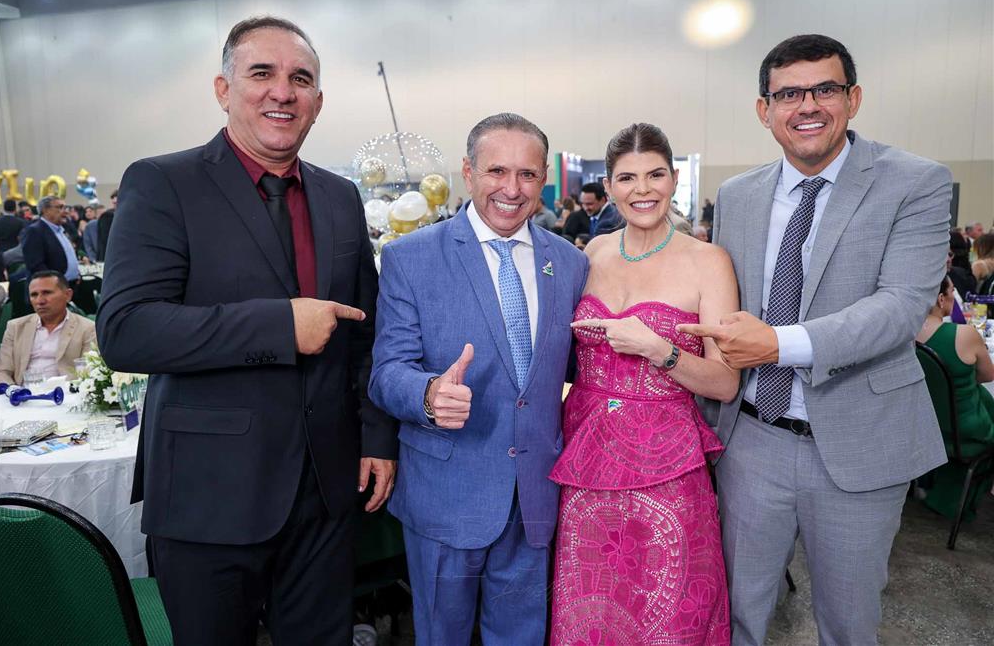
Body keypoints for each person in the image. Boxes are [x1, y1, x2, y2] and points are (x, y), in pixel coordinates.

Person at [95, 16, 396, 646]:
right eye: (262, 73)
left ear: (318, 101)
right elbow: (126, 330)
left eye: (301, 79)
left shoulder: (339, 198)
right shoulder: (163, 183)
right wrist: (279, 325)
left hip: (325, 494)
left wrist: (377, 436)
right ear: (223, 89)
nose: (282, 91)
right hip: (211, 495)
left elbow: (366, 334)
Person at [679, 34, 951, 645]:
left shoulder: (914, 182)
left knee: (848, 625)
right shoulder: (739, 195)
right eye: (789, 94)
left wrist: (778, 345)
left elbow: (901, 307)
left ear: (853, 99)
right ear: (764, 109)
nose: (807, 106)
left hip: (860, 441)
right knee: (737, 613)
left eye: (825, 89)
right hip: (753, 441)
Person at [370, 112, 588, 645]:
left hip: (534, 496)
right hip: (447, 494)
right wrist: (427, 394)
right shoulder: (411, 257)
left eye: (527, 174)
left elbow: (571, 369)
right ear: (468, 172)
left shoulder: (569, 263)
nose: (512, 189)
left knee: (521, 636)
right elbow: (387, 370)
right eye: (496, 171)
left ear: (543, 179)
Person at [549, 123, 738, 645]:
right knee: (590, 602)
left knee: (665, 608)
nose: (643, 189)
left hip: (667, 462)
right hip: (587, 455)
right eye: (628, 178)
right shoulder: (590, 254)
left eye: (655, 175)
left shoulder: (708, 261)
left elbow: (725, 382)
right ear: (609, 186)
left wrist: (660, 350)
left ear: (673, 178)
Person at [916, 275, 994, 521]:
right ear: (941, 299)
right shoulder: (964, 335)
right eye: (952, 292)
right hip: (963, 432)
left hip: (921, 426)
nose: (954, 297)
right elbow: (987, 375)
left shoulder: (906, 334)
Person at [0, 270, 96, 385]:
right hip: (22, 392)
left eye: (47, 293)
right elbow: (1, 371)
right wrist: (12, 391)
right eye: (34, 295)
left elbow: (90, 373)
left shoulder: (87, 328)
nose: (40, 301)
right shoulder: (16, 327)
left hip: (67, 393)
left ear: (67, 295)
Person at [21, 196, 80, 285]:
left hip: (70, 284)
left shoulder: (62, 230)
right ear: (45, 210)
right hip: (50, 287)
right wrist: (54, 283)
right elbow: (35, 264)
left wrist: (76, 273)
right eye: (60, 207)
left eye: (65, 207)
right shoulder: (34, 231)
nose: (66, 211)